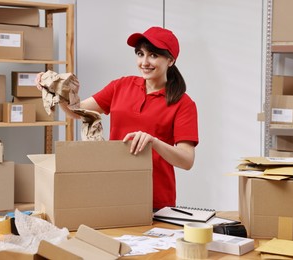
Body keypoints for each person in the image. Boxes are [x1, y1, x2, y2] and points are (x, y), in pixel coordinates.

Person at [36, 26, 199, 210]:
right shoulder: (121, 86)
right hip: (113, 191)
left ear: (170, 60)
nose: (144, 62)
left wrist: (154, 142)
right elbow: (77, 111)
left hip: (156, 200)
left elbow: (187, 160)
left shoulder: (183, 104)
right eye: (140, 54)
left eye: (153, 55)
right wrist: (55, 88)